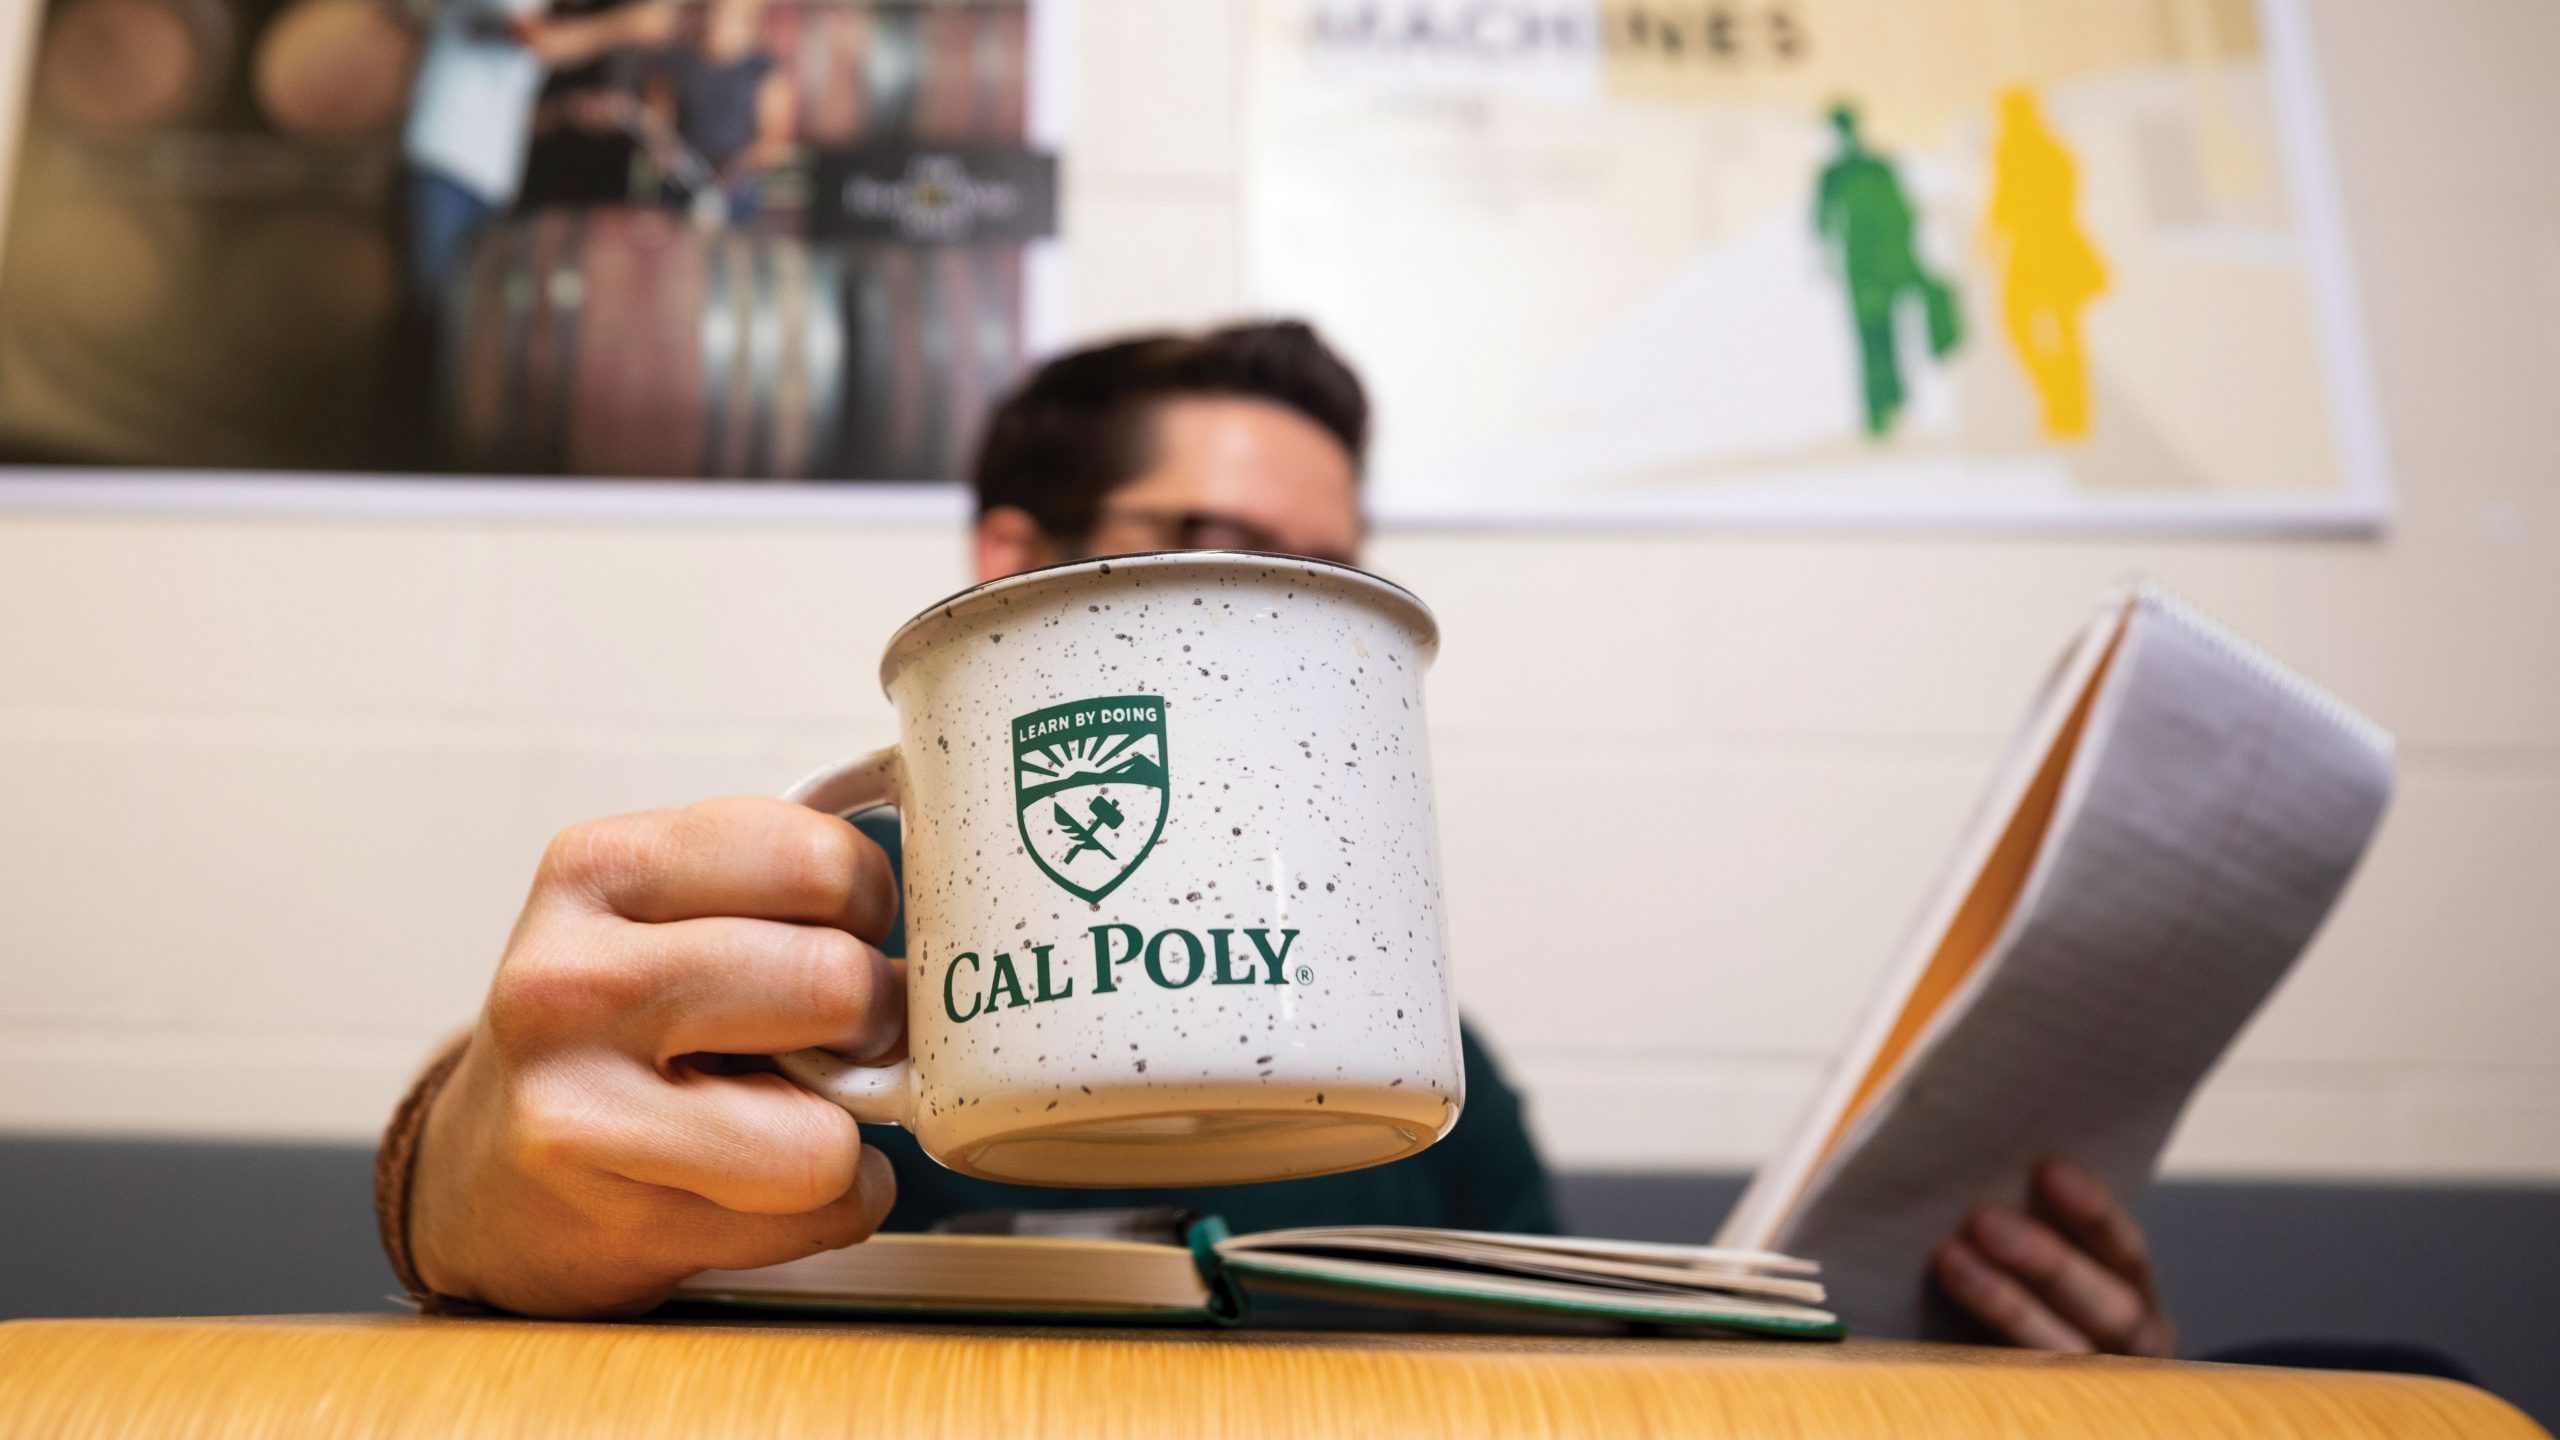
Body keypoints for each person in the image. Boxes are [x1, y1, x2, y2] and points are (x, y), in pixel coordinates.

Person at [378, 322, 2176, 1356]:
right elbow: (502, 1170)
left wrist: (1999, 1379)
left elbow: (1550, 1375)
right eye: (1223, 544)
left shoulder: (1420, 1057)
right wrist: (449, 1188)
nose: (1292, 612)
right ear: (1012, 562)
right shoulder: (801, 983)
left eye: (1330, 574)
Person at [1814, 101, 1962, 439]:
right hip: (1872, 264)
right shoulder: (1863, 170)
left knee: (1874, 338)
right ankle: (1886, 405)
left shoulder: (1841, 174)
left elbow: (1824, 224)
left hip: (1867, 265)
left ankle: (1884, 407)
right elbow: (1904, 214)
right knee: (1879, 336)